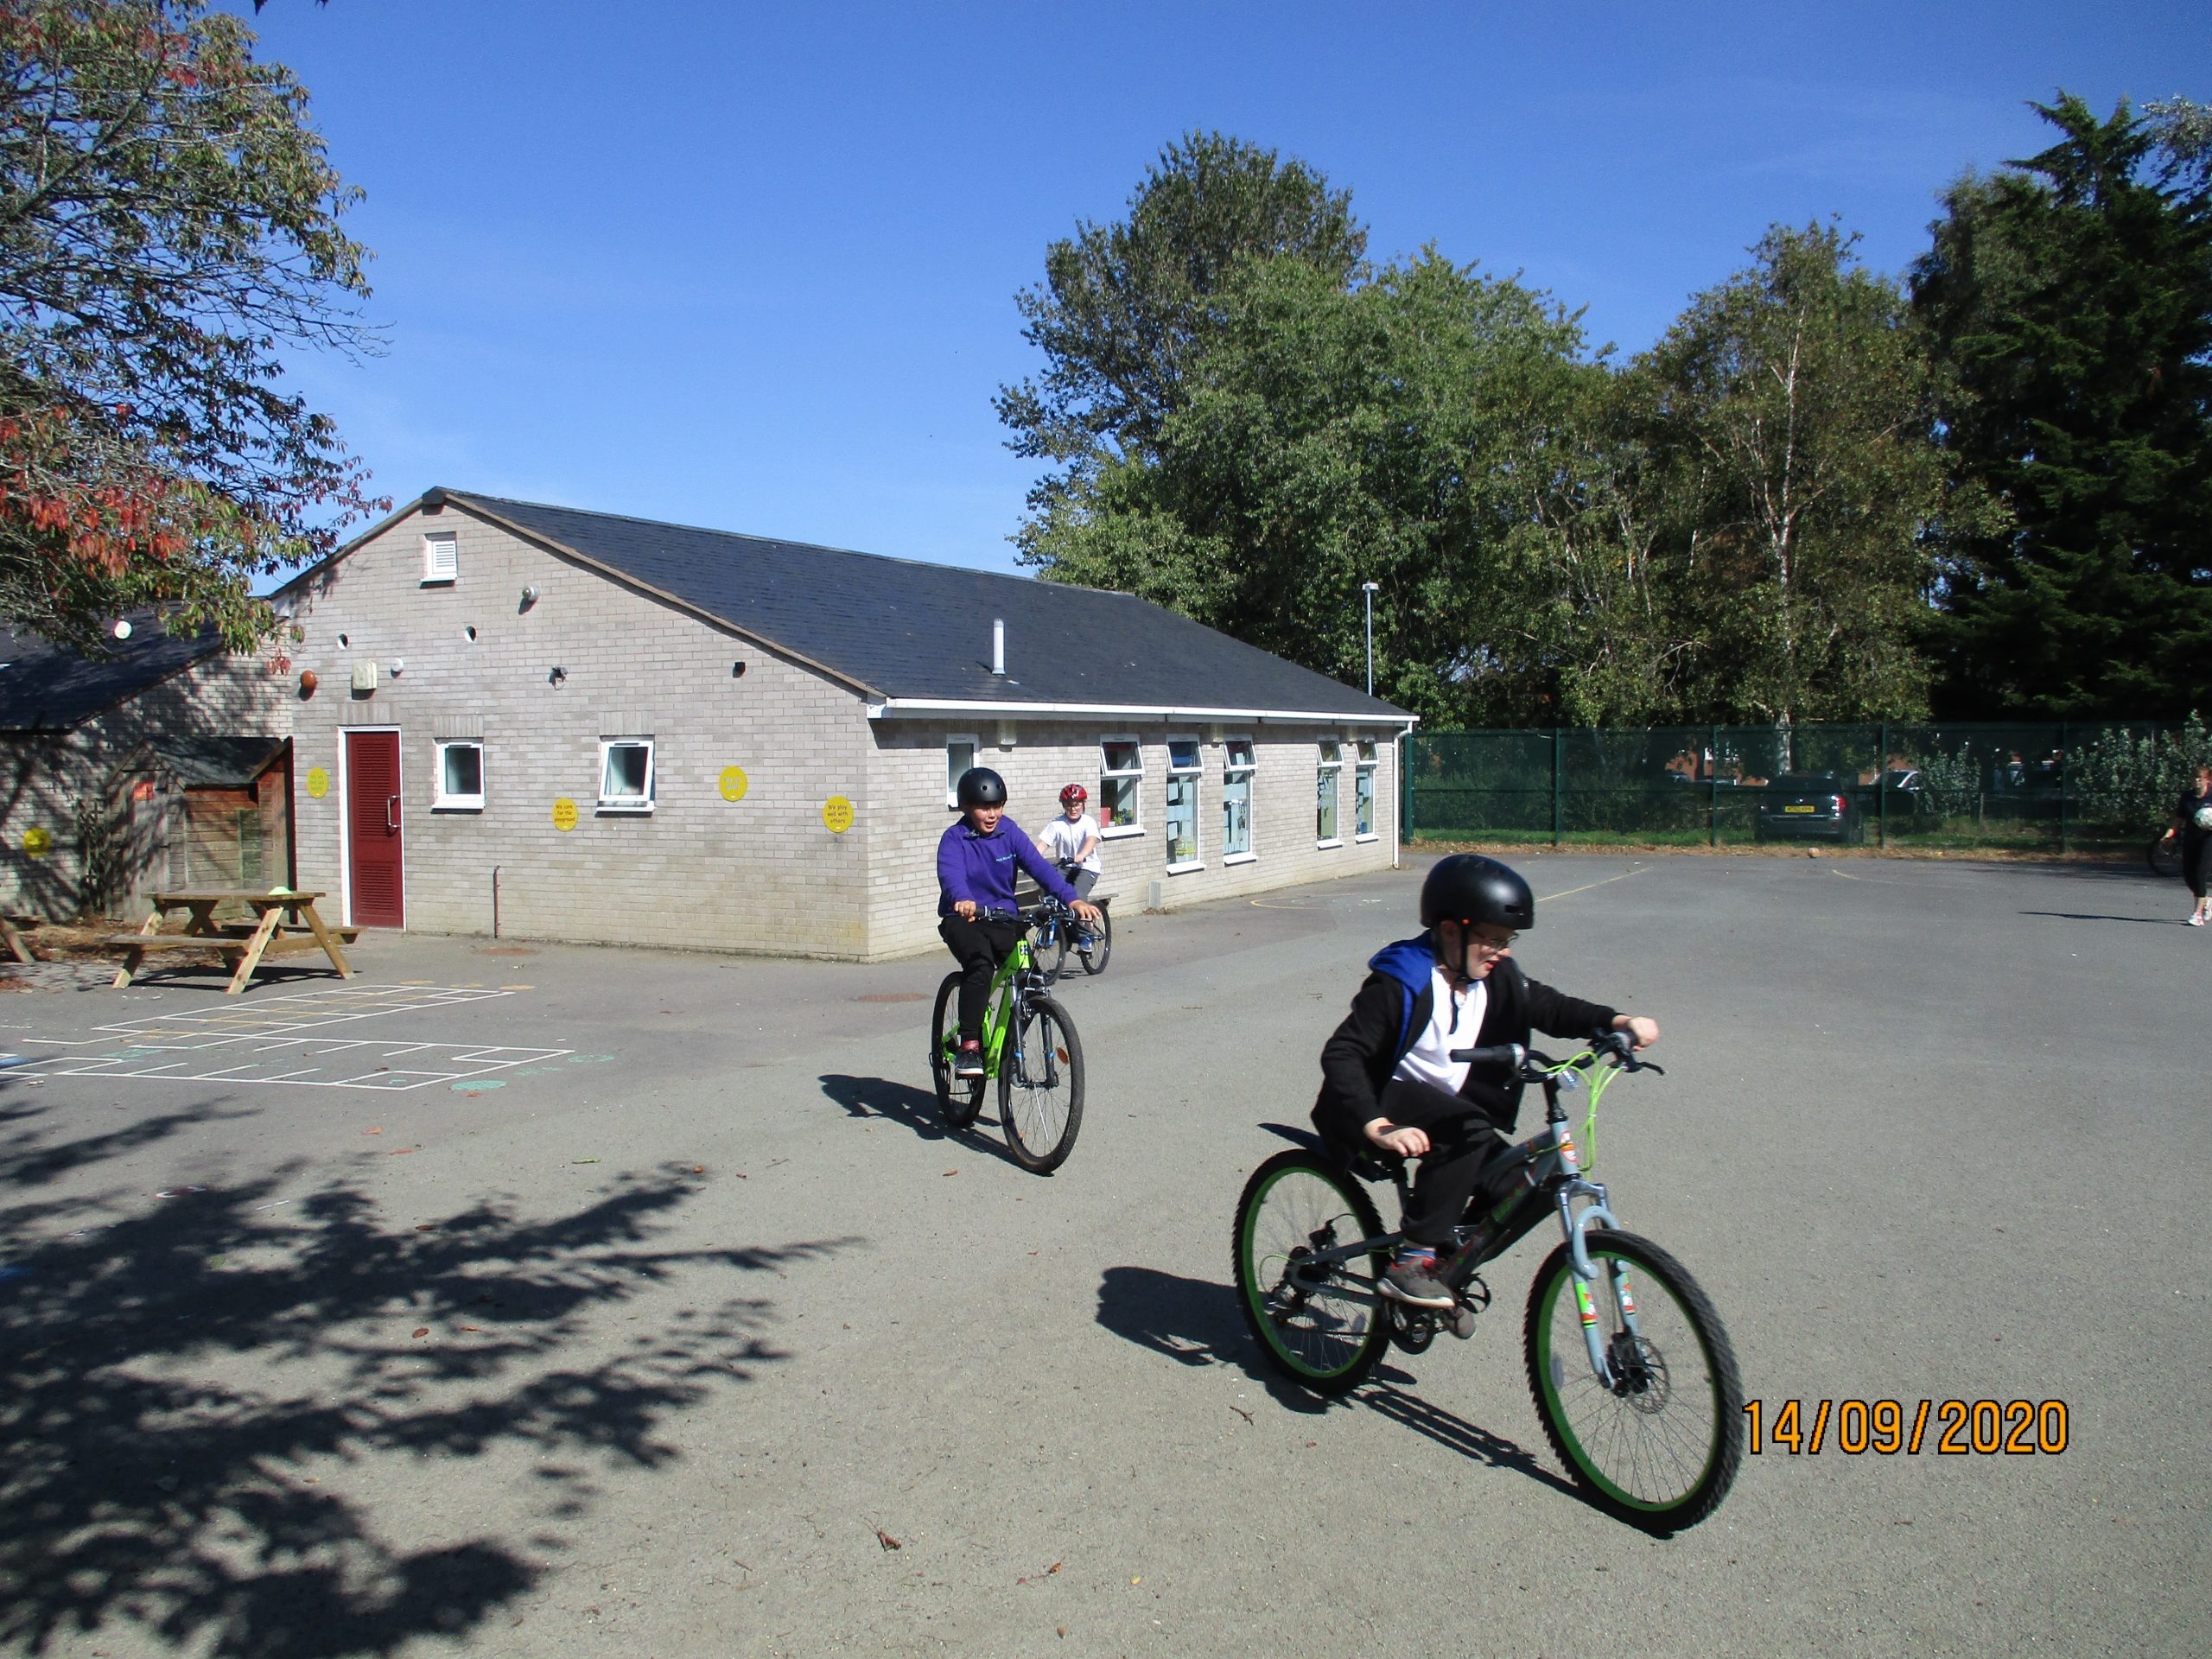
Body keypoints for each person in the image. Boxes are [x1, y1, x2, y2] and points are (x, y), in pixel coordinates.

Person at [1310, 854, 1660, 1309]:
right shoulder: (1403, 981)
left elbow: (1548, 1006)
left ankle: (1447, 1260)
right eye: (1492, 940)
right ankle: (1413, 1261)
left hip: (1444, 1104)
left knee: (1527, 1186)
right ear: (1451, 930)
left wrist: (1617, 1020)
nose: (1504, 951)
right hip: (1384, 1096)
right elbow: (1344, 1053)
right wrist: (1375, 1123)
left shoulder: (1493, 975)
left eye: (1508, 940)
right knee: (1468, 1129)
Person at [938, 766, 1103, 1076]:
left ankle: (1012, 1051)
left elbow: (1039, 868)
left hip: (1001, 916)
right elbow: (951, 875)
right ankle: (969, 1046)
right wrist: (961, 898)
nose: (992, 814)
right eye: (984, 807)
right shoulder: (955, 838)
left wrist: (1073, 899)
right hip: (963, 918)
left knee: (1032, 980)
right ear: (966, 807)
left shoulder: (1009, 832)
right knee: (981, 966)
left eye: (997, 806)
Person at [2158, 762, 2212, 926]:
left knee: (2200, 873)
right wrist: (2169, 834)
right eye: (2194, 778)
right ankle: (2207, 900)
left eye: (2200, 778)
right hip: (2191, 838)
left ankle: (2197, 914)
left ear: (2208, 780)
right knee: (2189, 876)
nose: (2197, 781)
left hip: (2208, 839)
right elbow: (2178, 819)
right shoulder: (2187, 797)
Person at [1035, 784, 1104, 900]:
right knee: (1052, 897)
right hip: (1064, 867)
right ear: (1063, 805)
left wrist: (1082, 854)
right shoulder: (1057, 823)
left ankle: (1083, 918)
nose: (1073, 809)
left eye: (1076, 805)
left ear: (1083, 804)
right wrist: (1031, 859)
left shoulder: (1088, 822)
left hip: (1087, 867)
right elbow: (1043, 844)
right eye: (1068, 806)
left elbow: (1091, 840)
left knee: (1076, 899)